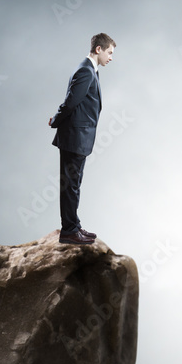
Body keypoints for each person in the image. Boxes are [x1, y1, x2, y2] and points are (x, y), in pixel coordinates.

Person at [49, 33, 116, 245]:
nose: (111, 57)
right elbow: (70, 102)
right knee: (70, 186)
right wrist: (55, 121)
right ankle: (69, 231)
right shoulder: (86, 71)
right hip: (74, 138)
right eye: (110, 52)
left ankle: (74, 226)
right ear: (99, 49)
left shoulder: (90, 71)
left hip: (79, 138)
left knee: (73, 185)